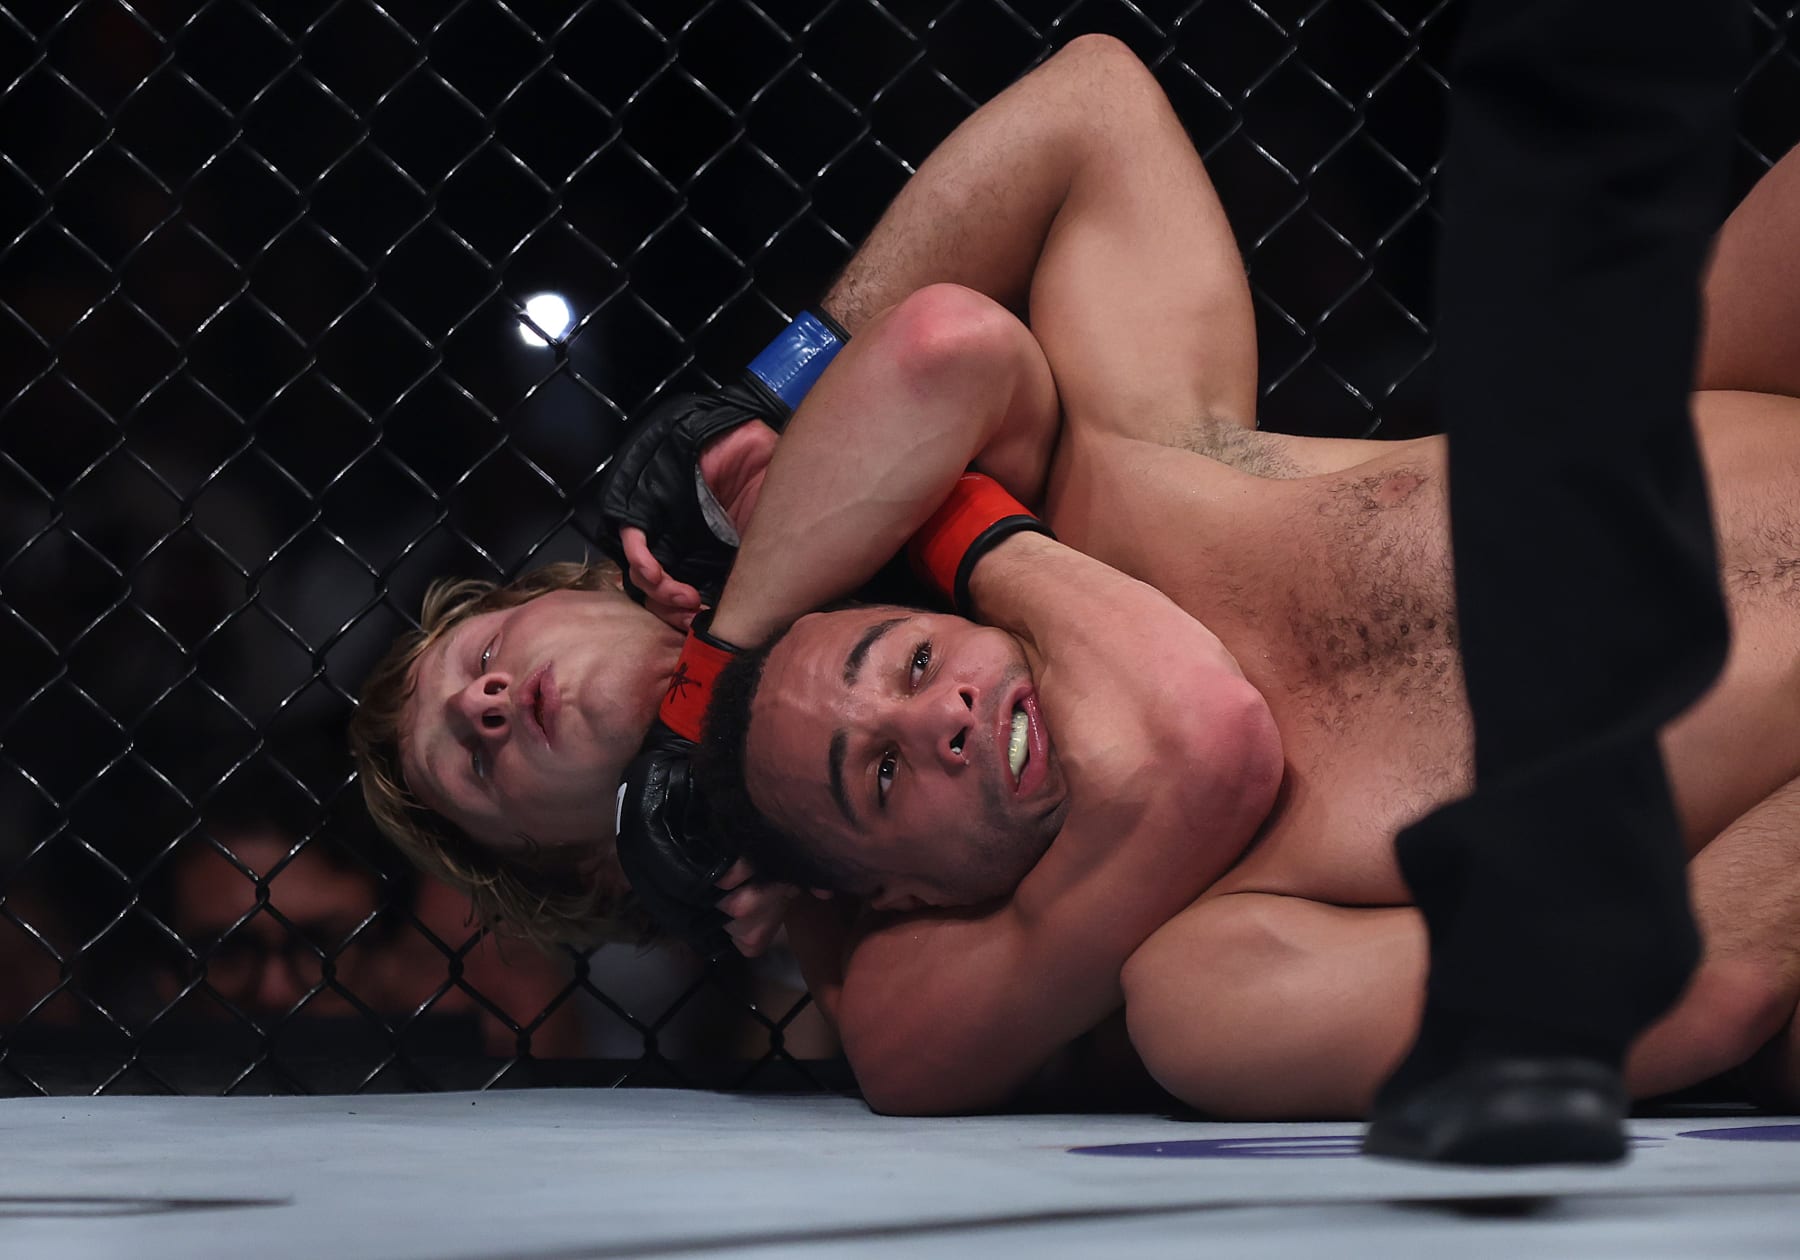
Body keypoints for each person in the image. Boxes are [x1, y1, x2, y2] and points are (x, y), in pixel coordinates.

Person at [353, 39, 1800, 1111]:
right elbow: (1688, 983)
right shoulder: (1159, 954)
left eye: (473, 656)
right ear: (573, 868)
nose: (483, 702)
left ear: (589, 583)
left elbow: (1060, 159)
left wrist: (771, 402)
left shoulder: (1107, 474)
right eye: (465, 757)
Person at [1365, 0, 1749, 1163]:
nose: (941, 721)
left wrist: (783, 382)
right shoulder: (1200, 957)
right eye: (871, 779)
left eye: (900, 660)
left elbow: (1091, 98)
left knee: (1584, 96)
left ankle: (1545, 968)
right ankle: (1544, 968)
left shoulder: (1152, 477)